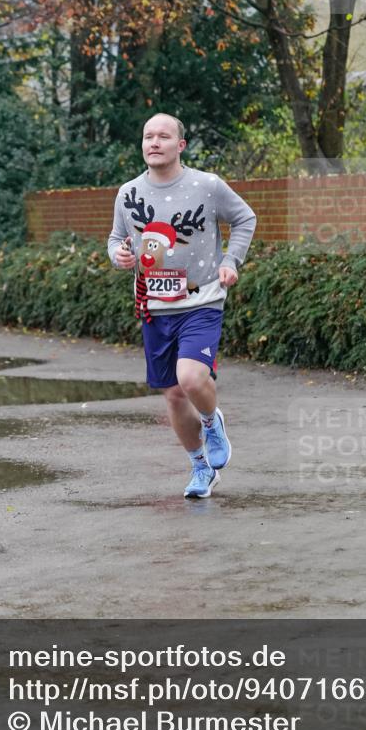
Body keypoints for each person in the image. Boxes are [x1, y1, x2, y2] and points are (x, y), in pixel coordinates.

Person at [108, 113, 256, 499]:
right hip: (153, 307)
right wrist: (119, 255)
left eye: (163, 136)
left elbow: (245, 218)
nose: (154, 143)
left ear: (181, 145)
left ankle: (211, 421)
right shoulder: (128, 193)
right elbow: (116, 239)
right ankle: (201, 468)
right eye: (147, 137)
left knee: (191, 379)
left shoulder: (207, 186)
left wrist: (230, 262)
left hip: (201, 301)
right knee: (173, 395)